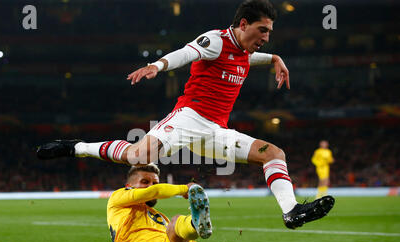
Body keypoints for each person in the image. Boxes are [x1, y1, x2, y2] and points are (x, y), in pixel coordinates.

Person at [37, 0, 335, 229]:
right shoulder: (216, 40)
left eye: (270, 32)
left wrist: (275, 59)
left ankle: (291, 211)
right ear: (243, 24)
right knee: (137, 157)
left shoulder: (243, 50)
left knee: (273, 153)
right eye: (263, 30)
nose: (267, 37)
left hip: (217, 130)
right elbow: (187, 53)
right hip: (188, 118)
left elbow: (250, 57)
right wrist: (158, 65)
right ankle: (75, 147)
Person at [107, 163, 239, 242]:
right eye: (145, 182)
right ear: (129, 187)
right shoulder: (117, 198)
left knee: (175, 223)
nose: (150, 186)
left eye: (154, 183)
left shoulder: (160, 218)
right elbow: (155, 191)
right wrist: (185, 189)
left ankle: (195, 225)